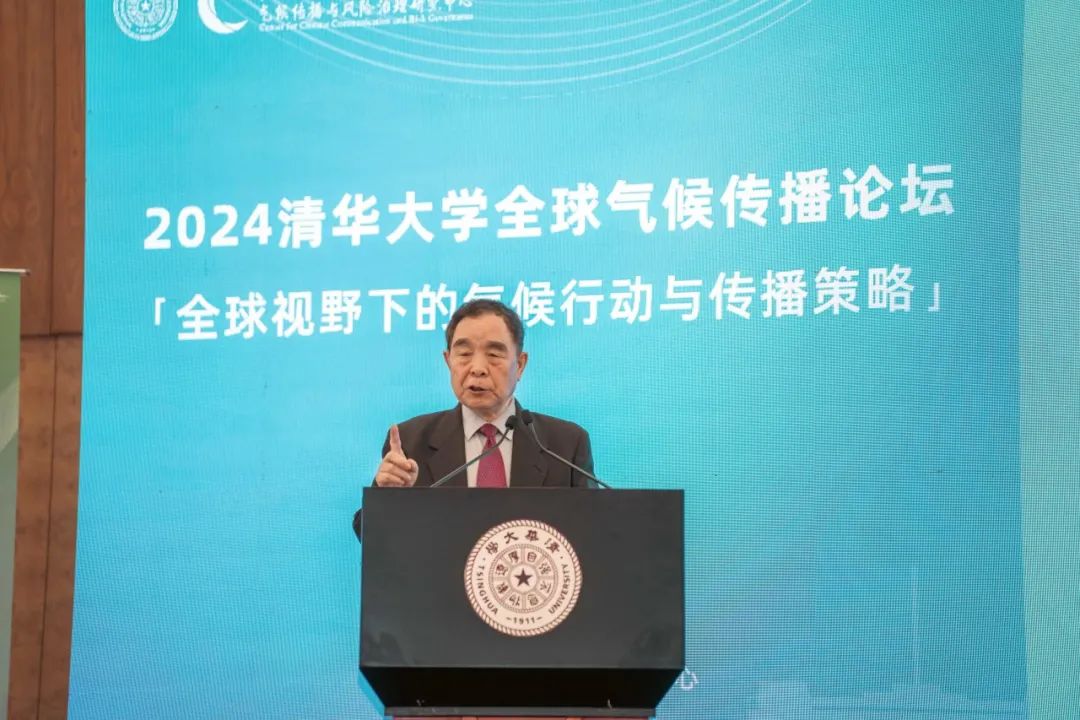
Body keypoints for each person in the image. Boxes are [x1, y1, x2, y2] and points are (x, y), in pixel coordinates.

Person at [373, 299, 594, 489]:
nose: (477, 368)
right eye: (464, 353)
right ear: (448, 361)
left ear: (520, 365)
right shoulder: (410, 443)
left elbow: (593, 521)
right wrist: (388, 497)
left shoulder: (566, 446)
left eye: (494, 354)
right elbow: (369, 525)